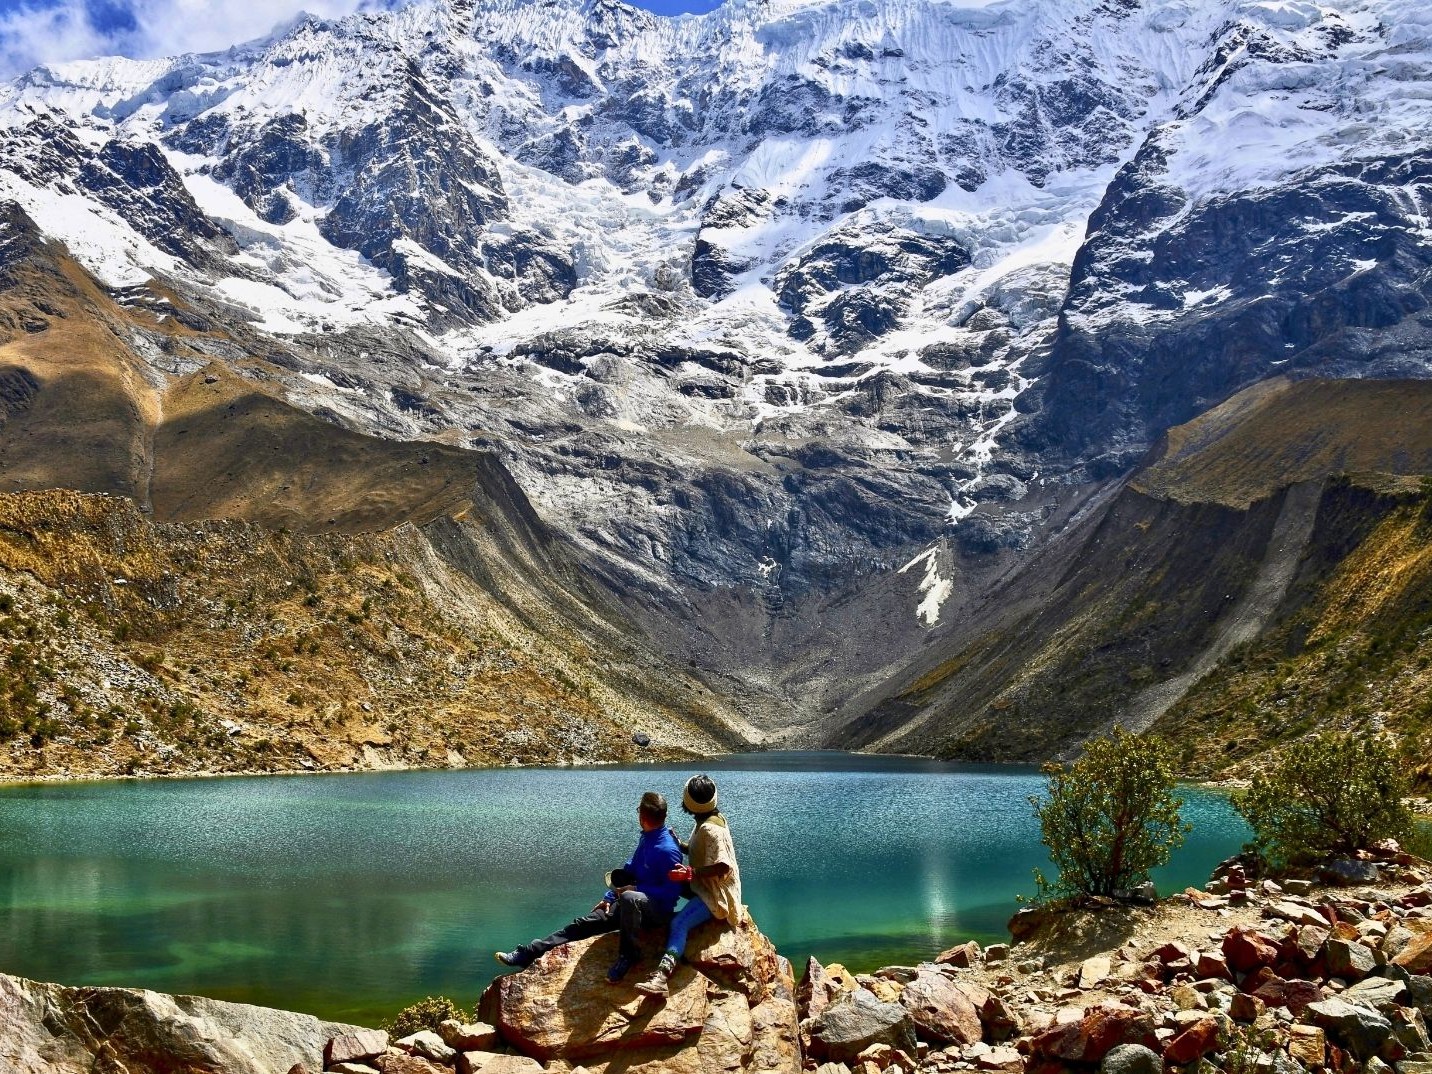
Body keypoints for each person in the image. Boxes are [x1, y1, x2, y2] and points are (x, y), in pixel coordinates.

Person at [495, 790, 682, 983]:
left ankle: (629, 956)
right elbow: (629, 871)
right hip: (629, 907)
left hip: (653, 913)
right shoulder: (648, 837)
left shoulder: (667, 850)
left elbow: (672, 894)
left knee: (629, 898)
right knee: (583, 924)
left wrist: (635, 891)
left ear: (642, 816)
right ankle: (529, 953)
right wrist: (609, 897)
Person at [634, 774, 743, 998]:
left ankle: (662, 977)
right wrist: (680, 844)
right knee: (665, 882)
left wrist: (690, 872)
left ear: (688, 801)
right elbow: (700, 852)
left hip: (715, 895)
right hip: (702, 885)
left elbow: (724, 866)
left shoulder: (710, 829)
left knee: (679, 924)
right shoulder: (709, 818)